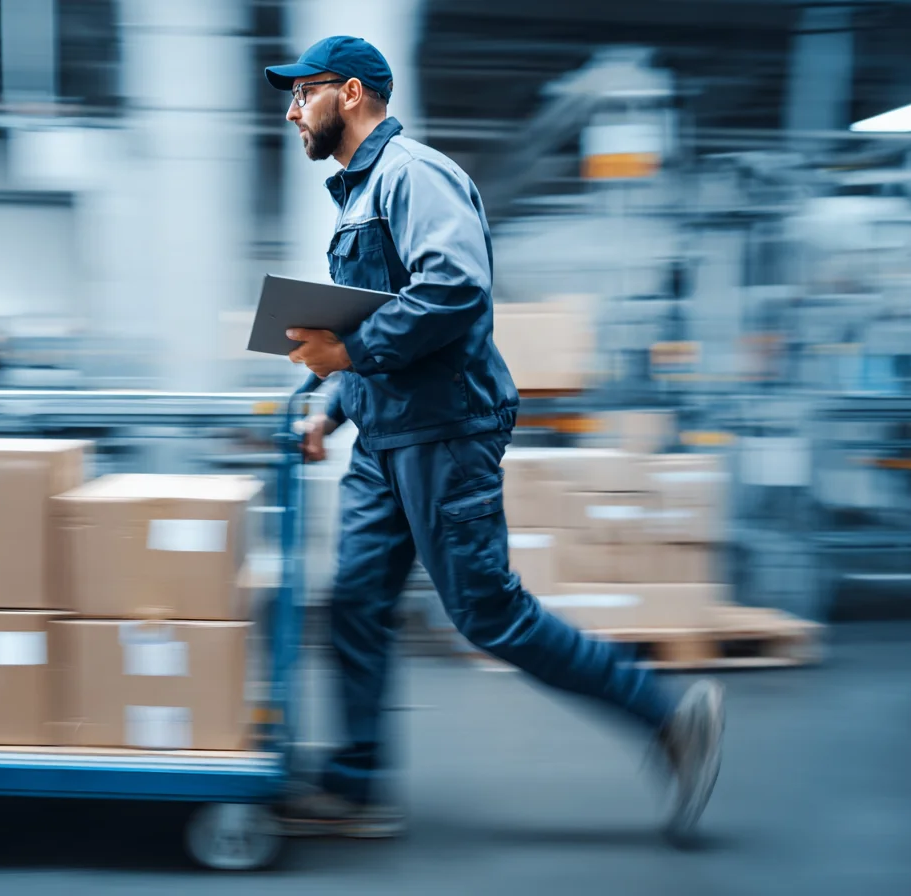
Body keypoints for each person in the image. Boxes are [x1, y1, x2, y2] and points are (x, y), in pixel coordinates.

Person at [265, 35, 724, 843]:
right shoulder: (359, 197)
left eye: (303, 92)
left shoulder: (415, 177)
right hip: (385, 437)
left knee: (488, 613)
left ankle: (670, 716)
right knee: (356, 602)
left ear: (350, 93)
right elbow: (365, 327)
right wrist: (327, 407)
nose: (292, 108)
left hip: (445, 430)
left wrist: (348, 355)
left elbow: (452, 287)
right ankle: (356, 783)